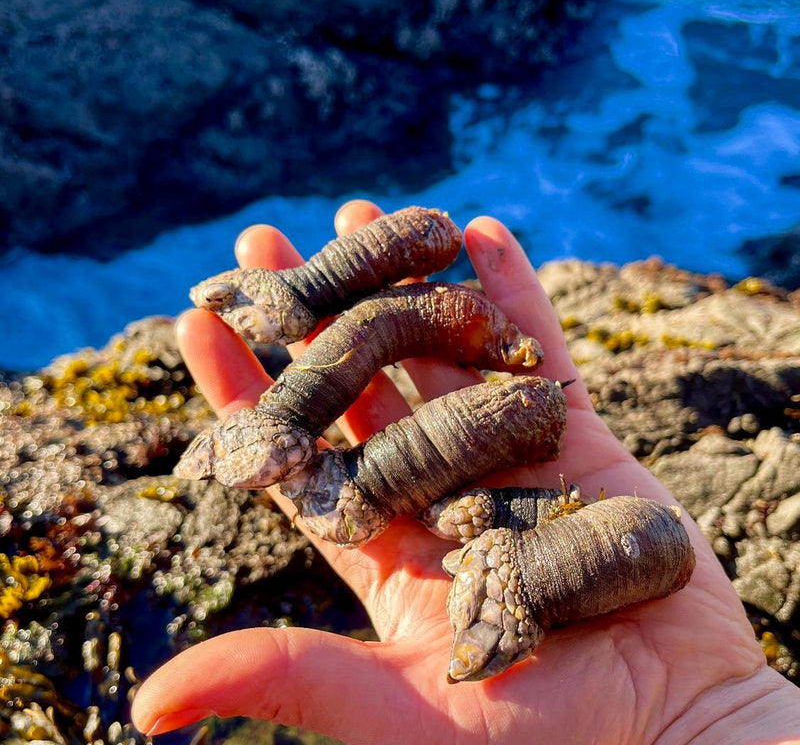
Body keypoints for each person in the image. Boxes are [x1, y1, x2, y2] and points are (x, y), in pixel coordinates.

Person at [131, 200, 800, 743]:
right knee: (381, 324)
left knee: (386, 327)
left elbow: (656, 540)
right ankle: (308, 397)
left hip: (525, 529)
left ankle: (310, 404)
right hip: (483, 507)